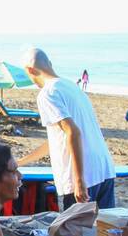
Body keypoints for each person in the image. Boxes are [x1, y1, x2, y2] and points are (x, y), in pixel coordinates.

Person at [15, 47, 116, 208]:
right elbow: (58, 140)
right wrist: (21, 162)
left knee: (77, 232)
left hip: (83, 174)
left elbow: (73, 132)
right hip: (103, 168)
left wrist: (79, 180)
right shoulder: (74, 88)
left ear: (30, 70)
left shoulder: (47, 93)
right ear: (49, 63)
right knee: (104, 230)